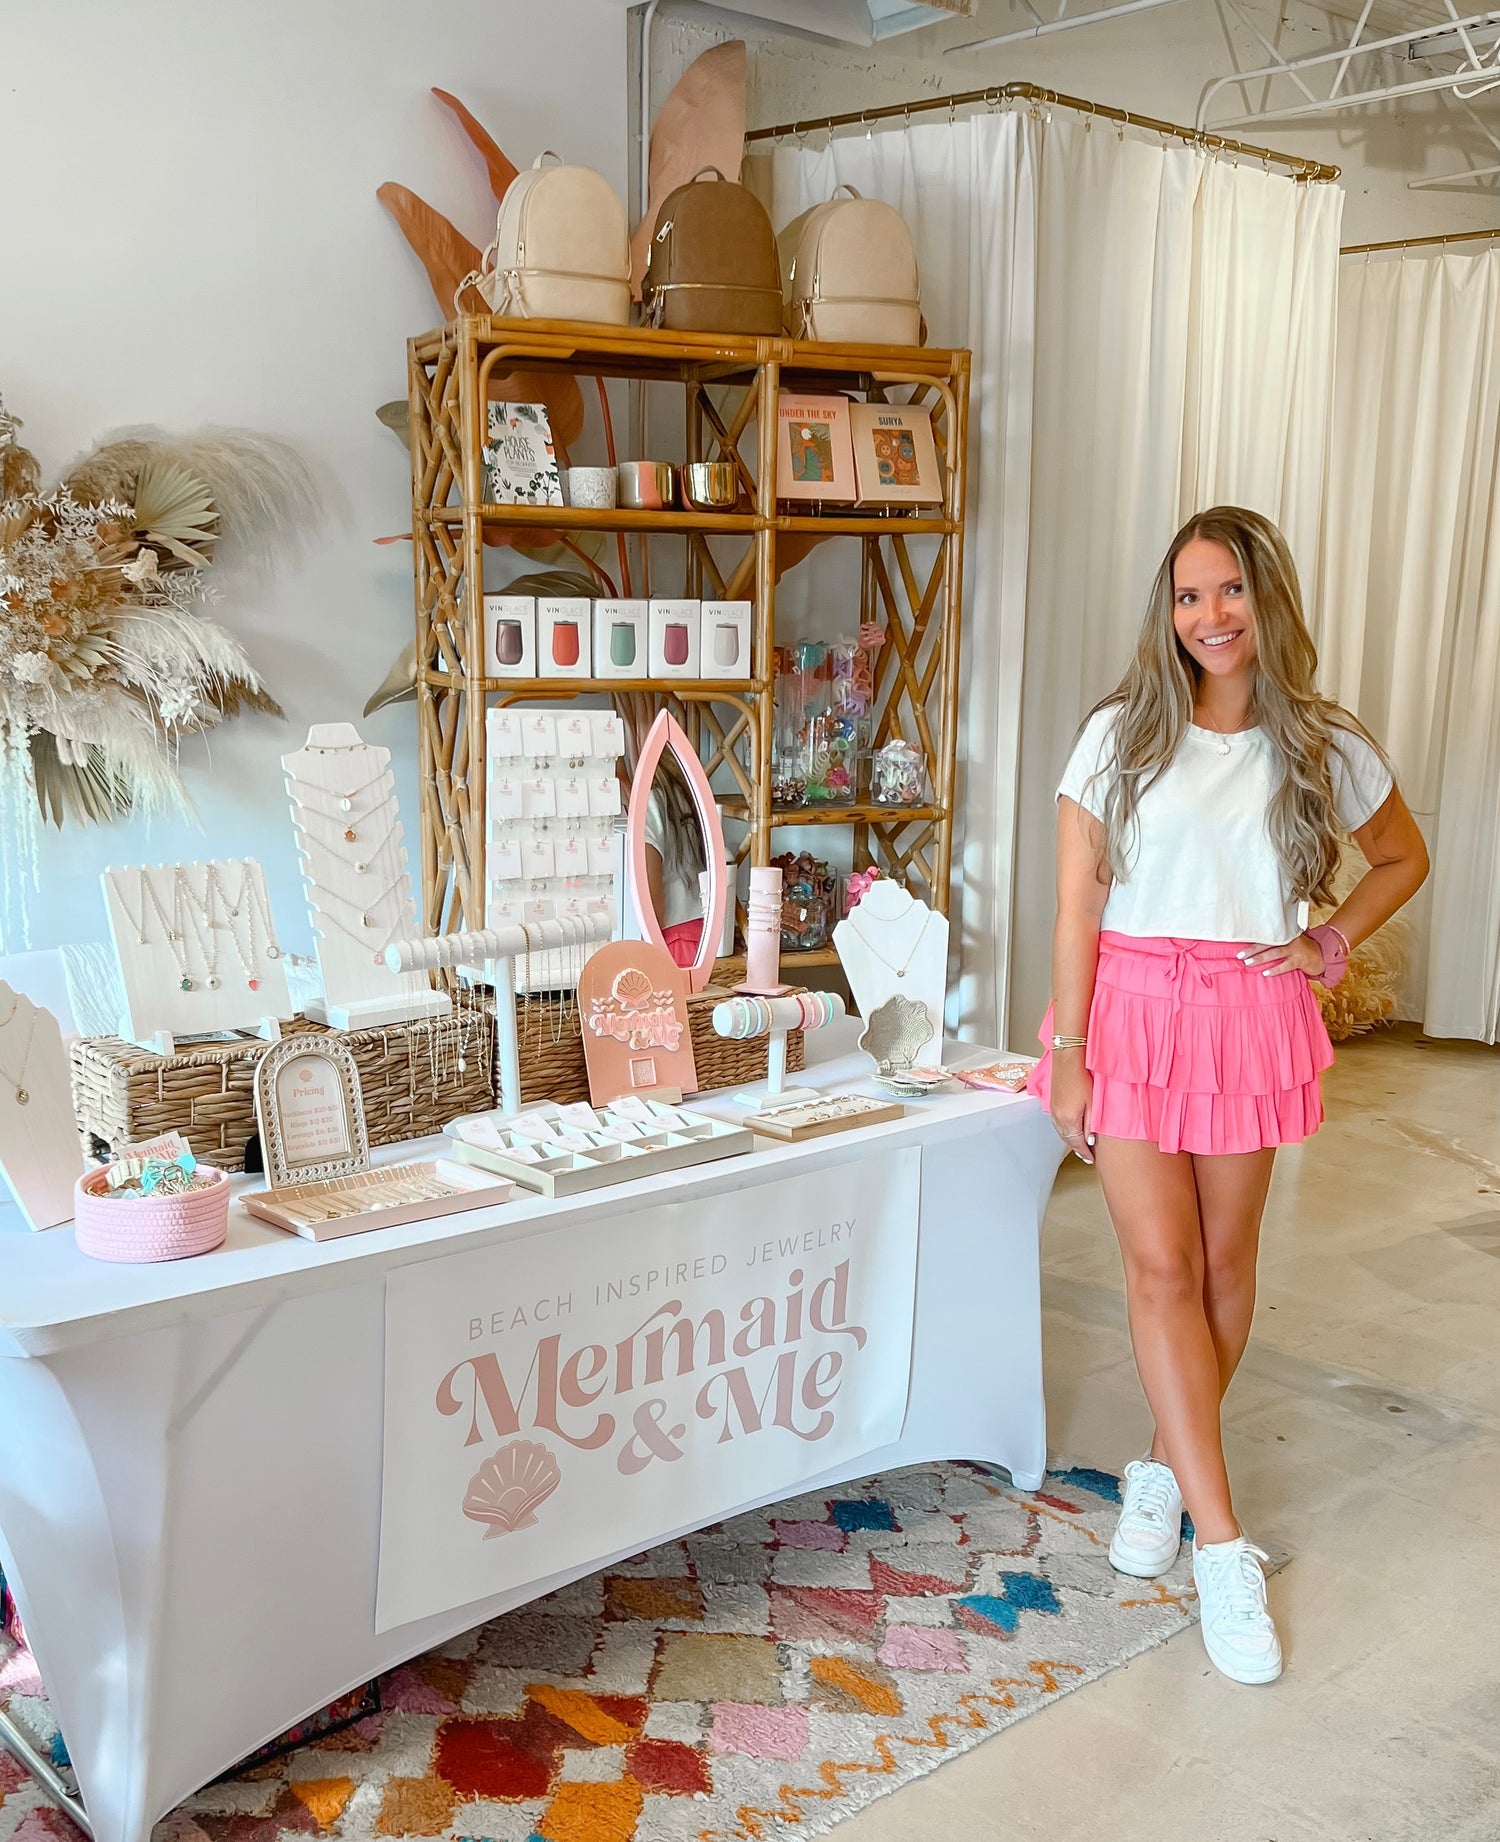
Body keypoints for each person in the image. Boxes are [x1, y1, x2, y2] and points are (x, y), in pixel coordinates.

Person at [1027, 506, 1428, 1685]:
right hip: (1132, 1012)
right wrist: (1069, 1050)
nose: (1210, 616)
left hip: (1249, 1013)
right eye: (1189, 595)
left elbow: (1402, 857)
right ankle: (1222, 1546)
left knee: (1220, 1271)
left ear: (1268, 599)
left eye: (1231, 590)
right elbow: (1077, 904)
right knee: (1158, 1271)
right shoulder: (1118, 734)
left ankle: (1162, 1470)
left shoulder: (1319, 741)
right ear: (1168, 612)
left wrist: (1329, 943)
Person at [642, 755, 707, 969]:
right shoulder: (679, 793)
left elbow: (652, 904)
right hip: (702, 933)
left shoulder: (649, 802)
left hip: (674, 942)